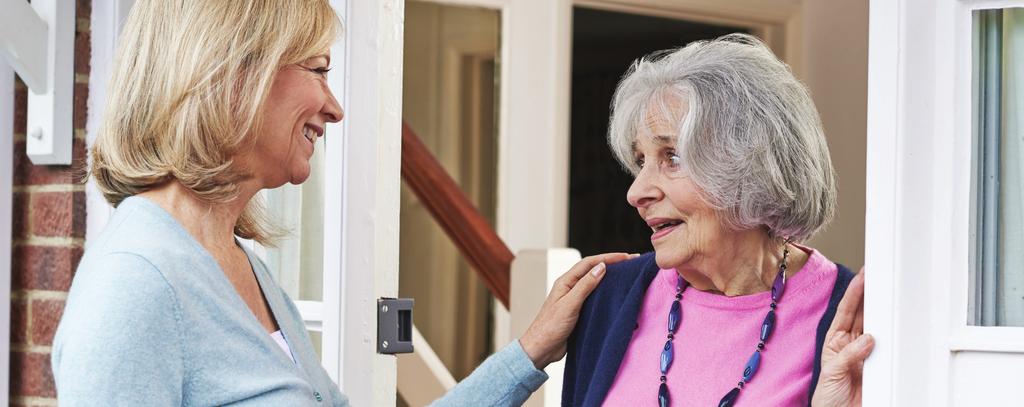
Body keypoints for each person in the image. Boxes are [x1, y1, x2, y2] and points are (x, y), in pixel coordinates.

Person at [51, 1, 629, 405]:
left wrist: (532, 349)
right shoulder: (136, 283)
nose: (335, 107)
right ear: (231, 74)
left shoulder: (241, 265)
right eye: (320, 70)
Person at [562, 34, 873, 407]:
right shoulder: (610, 300)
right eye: (641, 160)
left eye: (672, 158)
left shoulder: (850, 316)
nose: (636, 192)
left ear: (750, 166)